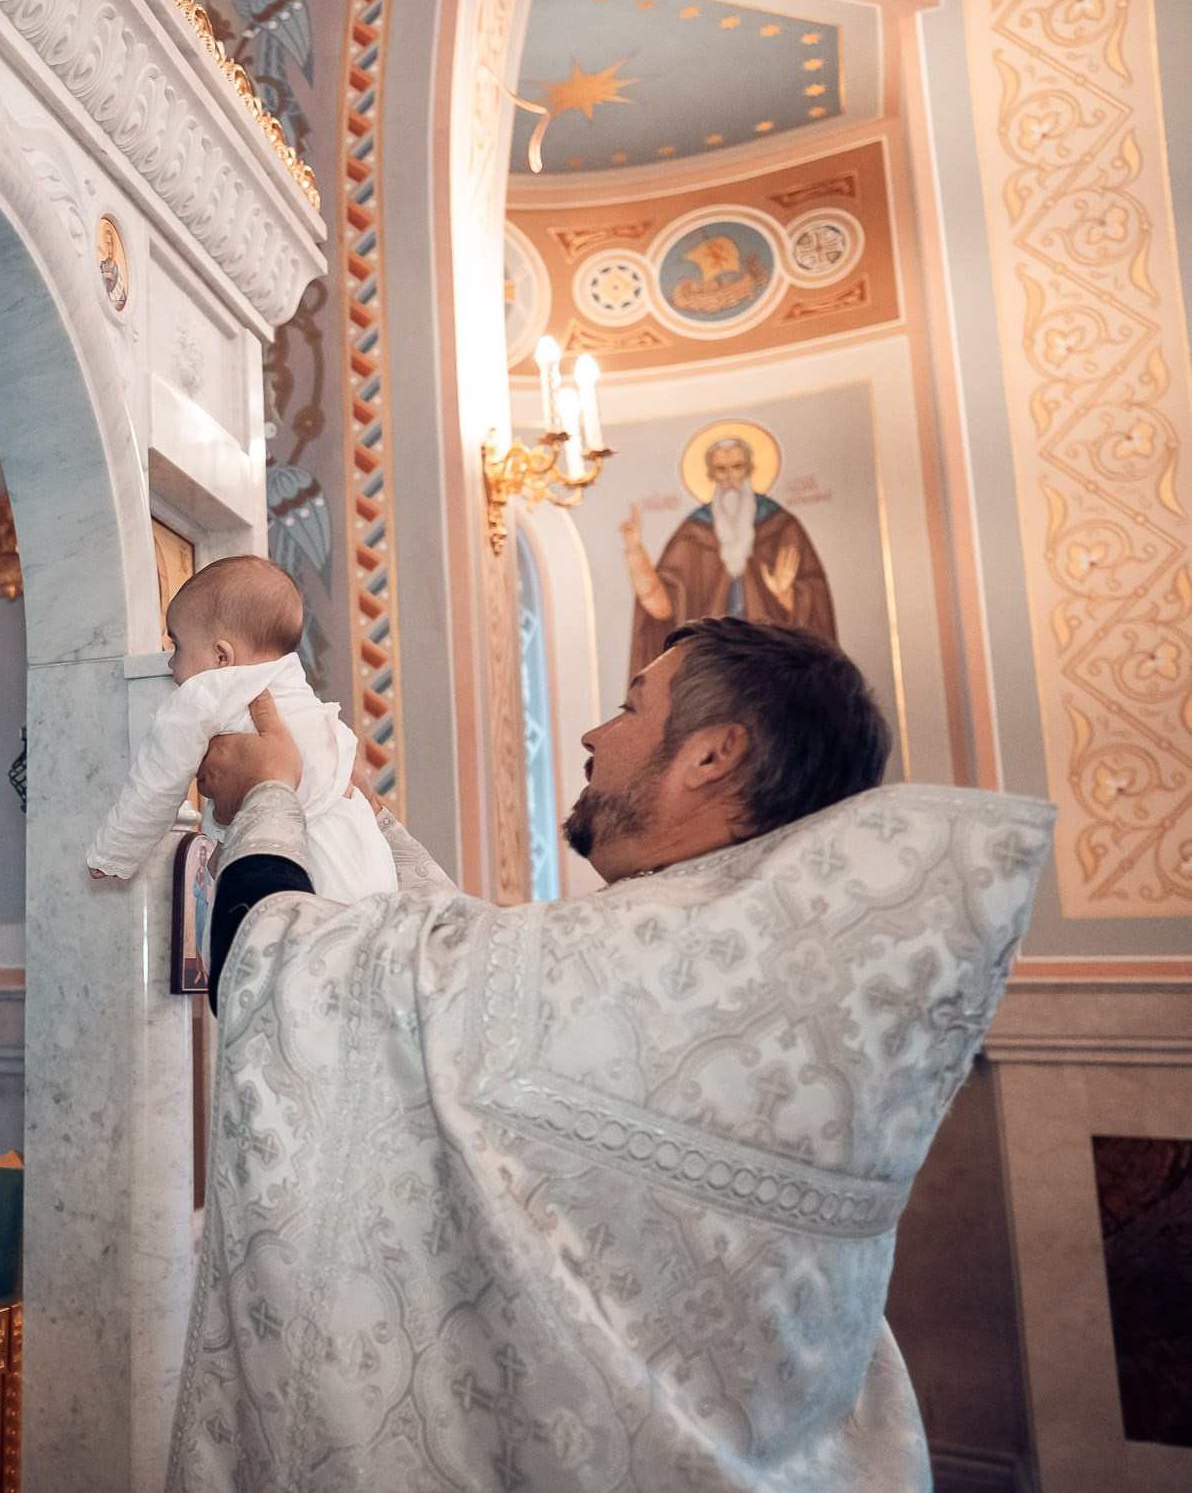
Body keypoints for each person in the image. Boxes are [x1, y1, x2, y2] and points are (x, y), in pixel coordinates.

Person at [170, 619, 1054, 1493]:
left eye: (632, 706)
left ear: (712, 756)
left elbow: (281, 967)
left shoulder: (663, 962)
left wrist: (269, 800)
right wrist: (361, 811)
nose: (593, 733)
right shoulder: (750, 960)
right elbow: (463, 972)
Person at [86, 555, 396, 905]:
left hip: (304, 859)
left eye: (177, 646)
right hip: (366, 848)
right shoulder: (293, 684)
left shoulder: (203, 694)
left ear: (221, 657)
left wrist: (115, 852)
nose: (171, 663)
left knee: (255, 943)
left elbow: (156, 781)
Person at [621, 433, 834, 680]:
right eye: (721, 470)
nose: (730, 477)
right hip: (711, 671)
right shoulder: (692, 533)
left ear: (750, 470)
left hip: (771, 670)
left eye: (737, 467)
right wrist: (634, 551)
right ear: (711, 475)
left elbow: (816, 606)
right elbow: (661, 608)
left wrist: (785, 595)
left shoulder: (782, 526)